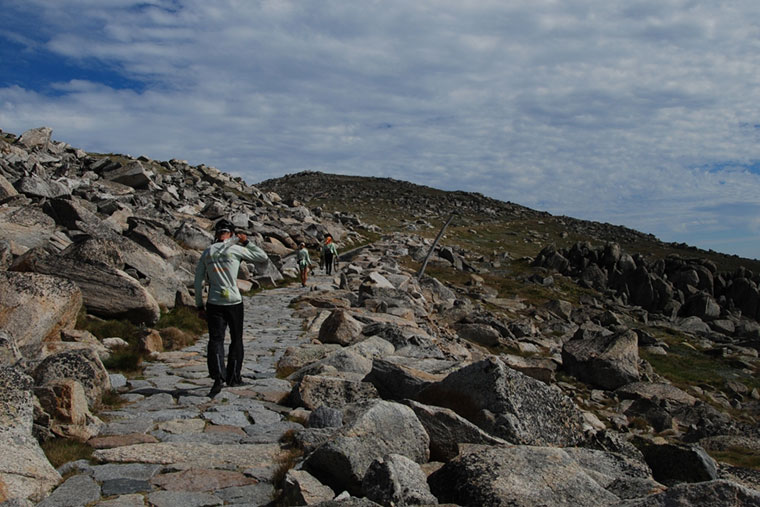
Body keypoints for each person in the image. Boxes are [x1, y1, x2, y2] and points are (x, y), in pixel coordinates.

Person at [194, 218, 268, 398]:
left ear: (216, 234)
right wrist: (246, 242)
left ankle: (218, 376)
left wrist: (199, 305)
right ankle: (234, 376)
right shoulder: (235, 249)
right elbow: (262, 257)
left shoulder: (207, 252)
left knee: (216, 339)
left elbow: (198, 281)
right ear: (231, 234)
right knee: (236, 338)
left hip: (214, 301)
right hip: (234, 300)